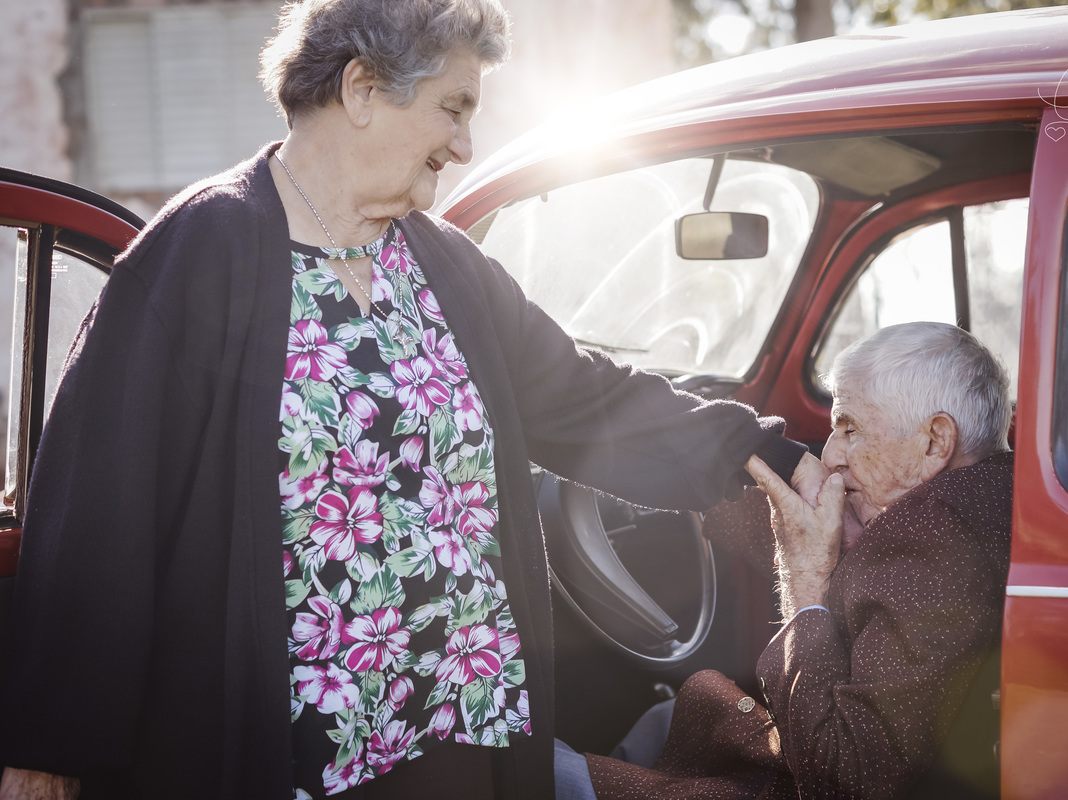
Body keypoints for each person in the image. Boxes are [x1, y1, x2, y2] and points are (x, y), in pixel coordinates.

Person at [0, 2, 806, 799]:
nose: (464, 144)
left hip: (460, 732)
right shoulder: (203, 248)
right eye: (453, 108)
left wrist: (751, 448)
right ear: (361, 89)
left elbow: (586, 398)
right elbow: (98, 513)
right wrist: (49, 750)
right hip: (290, 759)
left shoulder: (442, 262)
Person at [570, 321, 1014, 800]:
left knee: (547, 773)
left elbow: (842, 782)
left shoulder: (931, 536)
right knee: (669, 719)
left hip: (801, 780)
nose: (832, 454)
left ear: (934, 442)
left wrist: (804, 578)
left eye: (850, 428)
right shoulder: (986, 494)